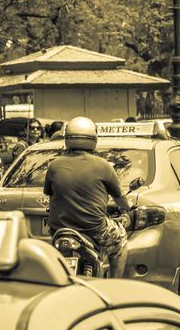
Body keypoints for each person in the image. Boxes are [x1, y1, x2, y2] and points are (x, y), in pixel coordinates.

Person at [44, 116, 132, 277]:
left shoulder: (54, 165)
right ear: (93, 139)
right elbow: (120, 199)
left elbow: (50, 194)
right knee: (121, 242)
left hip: (59, 228)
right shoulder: (103, 165)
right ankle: (115, 286)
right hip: (95, 229)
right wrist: (128, 207)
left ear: (67, 138)